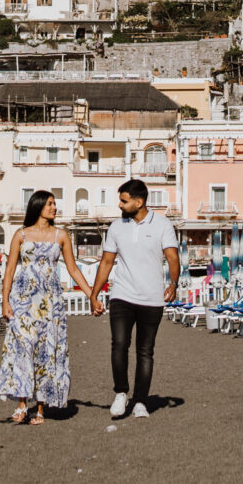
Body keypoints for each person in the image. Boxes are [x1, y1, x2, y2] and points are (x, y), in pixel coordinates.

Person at [0, 189, 86, 424]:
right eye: (50, 203)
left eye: (55, 204)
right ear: (39, 206)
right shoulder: (21, 235)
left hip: (50, 303)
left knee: (46, 352)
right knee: (22, 350)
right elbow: (10, 270)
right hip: (22, 301)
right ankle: (22, 405)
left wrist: (91, 293)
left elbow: (73, 269)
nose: (54, 207)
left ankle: (40, 407)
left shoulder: (61, 235)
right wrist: (5, 301)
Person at [89, 178, 180, 419]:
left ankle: (140, 401)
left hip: (152, 298)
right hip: (122, 295)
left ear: (139, 202)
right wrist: (94, 293)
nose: (119, 205)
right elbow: (107, 261)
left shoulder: (162, 224)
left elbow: (172, 257)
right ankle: (121, 393)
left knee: (145, 351)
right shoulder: (116, 227)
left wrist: (173, 283)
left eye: (124, 200)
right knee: (119, 344)